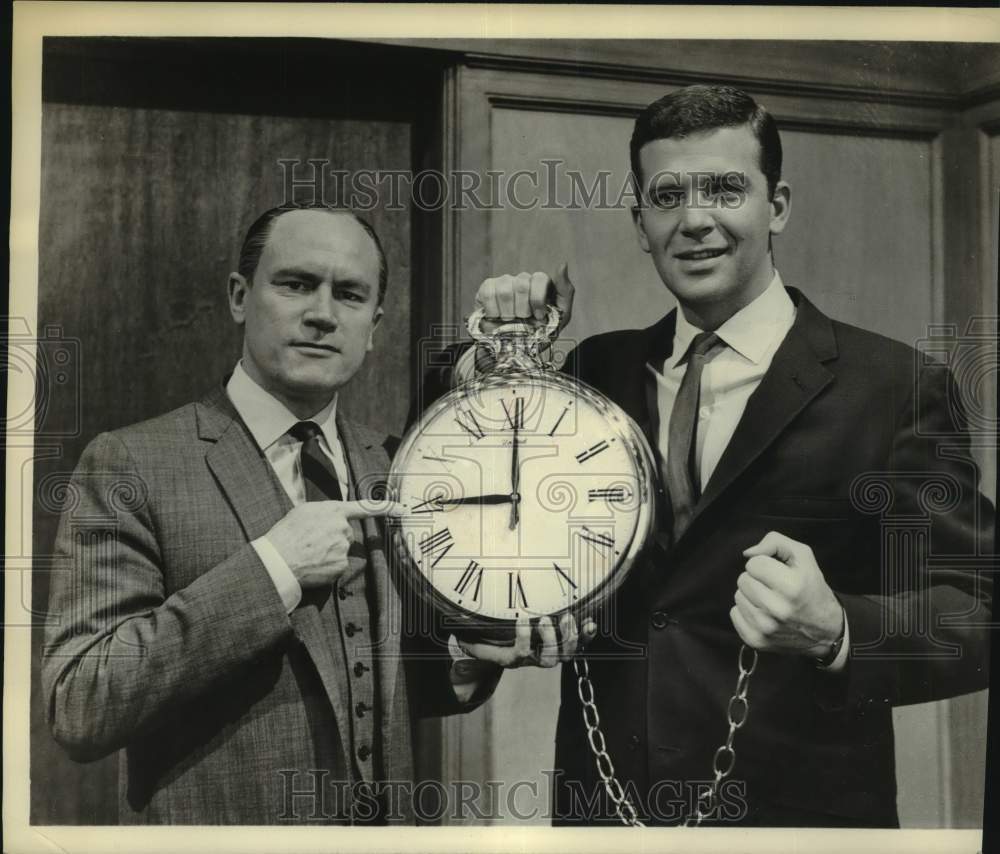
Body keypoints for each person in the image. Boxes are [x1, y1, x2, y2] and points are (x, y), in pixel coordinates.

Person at [447, 85, 994, 827]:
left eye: (726, 188)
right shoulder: (590, 375)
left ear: (778, 206)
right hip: (607, 817)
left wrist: (839, 630)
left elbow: (979, 610)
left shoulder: (892, 387)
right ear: (641, 223)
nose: (695, 219)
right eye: (667, 195)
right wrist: (493, 351)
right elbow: (450, 486)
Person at [43, 205, 543, 824]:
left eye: (350, 295)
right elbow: (81, 704)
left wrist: (469, 659)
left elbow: (375, 685)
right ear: (238, 296)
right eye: (296, 284)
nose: (322, 314)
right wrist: (273, 567)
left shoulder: (398, 464)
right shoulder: (132, 463)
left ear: (374, 325)